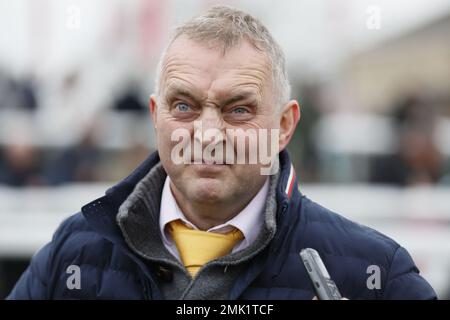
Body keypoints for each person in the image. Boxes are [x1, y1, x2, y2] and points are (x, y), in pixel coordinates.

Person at [7, 5, 436, 300]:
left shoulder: (373, 272)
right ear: (155, 116)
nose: (208, 134)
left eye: (238, 110)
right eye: (183, 106)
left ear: (284, 126)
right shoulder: (74, 251)